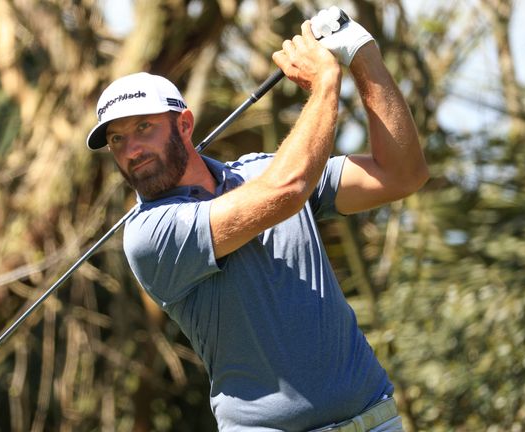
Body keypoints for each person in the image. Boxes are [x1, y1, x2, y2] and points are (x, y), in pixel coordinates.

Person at [85, 7, 428, 432]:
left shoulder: (263, 170)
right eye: (117, 139)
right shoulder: (149, 234)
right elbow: (285, 192)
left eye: (143, 128)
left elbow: (401, 173)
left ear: (185, 125)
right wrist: (324, 86)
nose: (131, 149)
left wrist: (361, 54)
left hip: (376, 421)